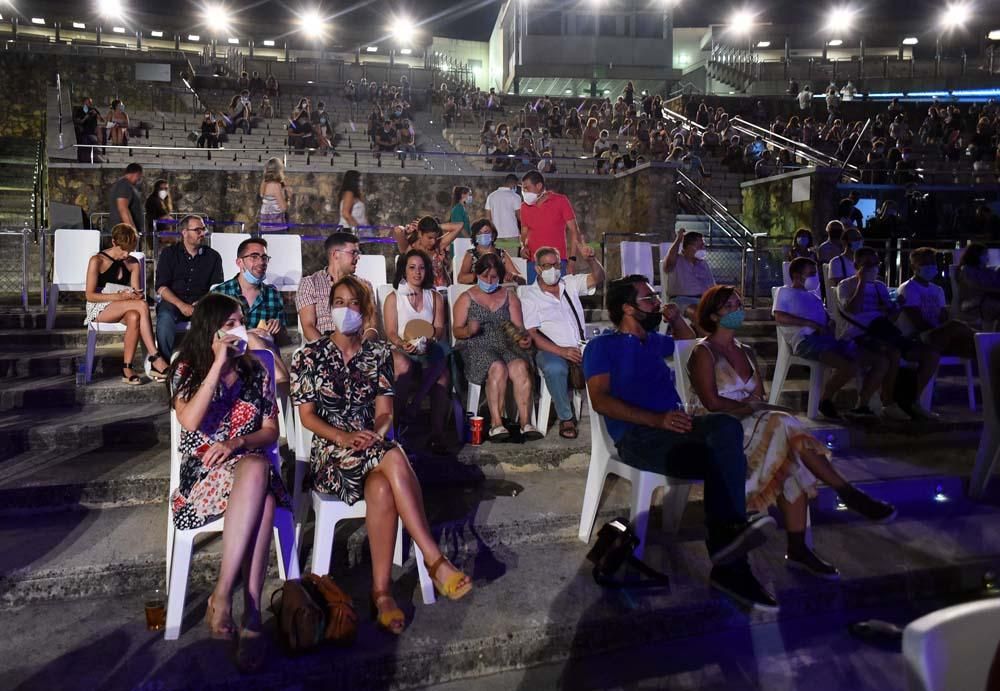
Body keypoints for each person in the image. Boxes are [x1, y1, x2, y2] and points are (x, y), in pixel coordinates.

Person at [583, 275, 778, 610]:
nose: (655, 302)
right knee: (719, 459)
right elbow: (600, 400)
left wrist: (674, 318)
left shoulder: (653, 342)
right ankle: (730, 555)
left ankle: (729, 540)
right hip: (639, 436)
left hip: (679, 426)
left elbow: (689, 341)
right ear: (628, 308)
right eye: (648, 299)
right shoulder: (602, 346)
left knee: (726, 429)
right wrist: (656, 420)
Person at [291, 277, 472, 635]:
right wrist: (344, 436)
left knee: (382, 487)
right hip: (332, 451)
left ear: (365, 309)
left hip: (372, 445)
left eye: (353, 303)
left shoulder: (378, 356)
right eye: (338, 301)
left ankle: (382, 593)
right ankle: (434, 559)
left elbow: (385, 412)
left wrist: (375, 432)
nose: (345, 308)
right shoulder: (309, 355)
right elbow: (307, 416)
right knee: (393, 455)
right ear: (329, 308)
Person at [689, 286, 897, 581]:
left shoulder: (746, 351)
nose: (737, 309)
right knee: (784, 425)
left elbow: (757, 395)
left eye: (738, 303)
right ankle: (845, 495)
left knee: (789, 445)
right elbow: (710, 402)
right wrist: (754, 407)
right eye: (729, 306)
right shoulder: (703, 351)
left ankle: (801, 546)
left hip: (755, 422)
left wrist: (758, 407)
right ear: (713, 315)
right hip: (719, 426)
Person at [168, 293, 289, 671]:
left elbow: (271, 431)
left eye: (241, 321)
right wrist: (218, 363)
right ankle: (250, 614)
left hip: (246, 463)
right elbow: (189, 421)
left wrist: (237, 441)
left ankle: (224, 597)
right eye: (231, 322)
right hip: (202, 474)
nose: (239, 329)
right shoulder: (187, 367)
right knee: (264, 496)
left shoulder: (257, 369)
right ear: (212, 328)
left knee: (256, 469)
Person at [773, 258, 892, 419]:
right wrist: (811, 324)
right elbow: (780, 317)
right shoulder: (785, 291)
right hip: (806, 341)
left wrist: (830, 323)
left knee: (881, 361)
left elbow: (828, 319)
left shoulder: (814, 298)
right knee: (850, 366)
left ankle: (862, 405)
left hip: (829, 339)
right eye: (811, 273)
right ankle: (826, 399)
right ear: (796, 275)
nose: (815, 277)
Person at [837, 247, 941, 421]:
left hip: (884, 331)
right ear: (856, 265)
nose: (872, 268)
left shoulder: (880, 287)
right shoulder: (846, 285)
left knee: (930, 354)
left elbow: (890, 319)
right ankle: (888, 402)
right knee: (892, 352)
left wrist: (897, 307)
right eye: (867, 264)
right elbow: (852, 309)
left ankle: (912, 400)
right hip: (861, 334)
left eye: (875, 263)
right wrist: (861, 282)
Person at [452, 253, 541, 442]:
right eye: (485, 277)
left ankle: (525, 423)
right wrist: (469, 330)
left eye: (493, 277)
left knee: (519, 367)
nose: (489, 281)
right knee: (497, 367)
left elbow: (519, 328)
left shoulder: (509, 297)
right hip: (477, 345)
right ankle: (496, 423)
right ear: (478, 275)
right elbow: (456, 331)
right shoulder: (466, 298)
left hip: (506, 344)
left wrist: (523, 339)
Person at [521, 246, 605, 438]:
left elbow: (598, 277)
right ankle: (566, 418)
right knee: (554, 368)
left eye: (556, 264)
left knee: (611, 356)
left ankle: (615, 412)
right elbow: (533, 334)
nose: (553, 269)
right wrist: (562, 351)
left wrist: (592, 260)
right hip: (550, 348)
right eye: (547, 265)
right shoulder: (530, 296)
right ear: (538, 269)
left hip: (580, 345)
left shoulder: (570, 283)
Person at [383, 250, 453, 454]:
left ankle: (437, 433)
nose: (417, 272)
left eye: (422, 267)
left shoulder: (435, 297)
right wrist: (402, 343)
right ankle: (396, 429)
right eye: (412, 267)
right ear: (404, 270)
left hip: (428, 349)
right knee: (406, 372)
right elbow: (390, 332)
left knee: (442, 368)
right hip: (403, 351)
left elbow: (439, 328)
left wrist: (429, 338)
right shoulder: (393, 298)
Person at [83, 223, 168, 384]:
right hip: (99, 306)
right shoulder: (97, 260)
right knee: (141, 306)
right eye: (123, 250)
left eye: (129, 250)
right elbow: (89, 295)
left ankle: (127, 368)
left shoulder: (133, 263)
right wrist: (119, 296)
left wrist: (136, 294)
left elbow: (136, 292)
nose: (125, 254)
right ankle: (155, 357)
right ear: (114, 242)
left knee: (135, 315)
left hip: (124, 305)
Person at [212, 237, 289, 384]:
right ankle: (281, 383)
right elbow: (209, 334)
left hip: (265, 361)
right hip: (230, 361)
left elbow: (284, 341)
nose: (261, 262)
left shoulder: (273, 295)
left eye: (264, 257)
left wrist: (278, 329)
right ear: (239, 262)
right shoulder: (220, 293)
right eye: (254, 257)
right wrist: (247, 335)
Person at [154, 215, 224, 359]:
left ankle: (206, 362)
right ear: (184, 232)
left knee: (213, 316)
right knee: (165, 317)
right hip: (173, 302)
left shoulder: (213, 257)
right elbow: (161, 287)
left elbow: (216, 287)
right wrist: (181, 305)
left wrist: (202, 302)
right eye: (197, 230)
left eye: (203, 229)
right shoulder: (169, 254)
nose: (202, 233)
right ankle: (164, 363)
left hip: (201, 302)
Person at [296, 231, 379, 343]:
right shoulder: (310, 283)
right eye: (353, 252)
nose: (358, 257)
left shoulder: (364, 286)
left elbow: (371, 326)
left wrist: (360, 348)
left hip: (358, 347)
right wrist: (331, 351)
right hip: (323, 349)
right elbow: (308, 326)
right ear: (336, 254)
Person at [519, 171, 585, 283]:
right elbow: (524, 233)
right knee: (534, 298)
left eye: (527, 188)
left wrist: (572, 260)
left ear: (539, 186)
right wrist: (523, 247)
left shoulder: (561, 201)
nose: (524, 192)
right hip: (533, 264)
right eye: (523, 189)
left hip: (558, 263)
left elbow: (574, 231)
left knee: (559, 297)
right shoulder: (524, 207)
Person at [393, 216, 464, 288]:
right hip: (421, 293)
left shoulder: (438, 245)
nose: (433, 242)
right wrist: (406, 229)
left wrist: (437, 226)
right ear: (420, 234)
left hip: (444, 292)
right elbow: (398, 230)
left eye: (435, 238)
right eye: (430, 238)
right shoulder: (410, 249)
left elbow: (459, 226)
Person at [663, 228, 716, 322]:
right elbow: (669, 261)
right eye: (699, 246)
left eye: (703, 245)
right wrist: (678, 239)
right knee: (698, 313)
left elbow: (712, 286)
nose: (703, 248)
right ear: (687, 247)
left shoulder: (703, 264)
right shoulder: (677, 260)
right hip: (682, 301)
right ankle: (708, 336)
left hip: (703, 300)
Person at [457, 219, 525, 285]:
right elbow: (461, 278)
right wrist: (481, 277)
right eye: (479, 233)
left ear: (493, 235)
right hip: (477, 292)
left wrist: (513, 276)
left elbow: (520, 278)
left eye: (486, 232)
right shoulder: (470, 254)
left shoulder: (502, 254)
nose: (483, 235)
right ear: (475, 237)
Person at [956, 243, 1000, 330]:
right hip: (972, 302)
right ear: (976, 255)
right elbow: (974, 287)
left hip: (988, 300)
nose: (987, 257)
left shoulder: (987, 271)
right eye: (984, 254)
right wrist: (995, 290)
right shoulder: (966, 270)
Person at [484, 174, 522, 242]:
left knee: (497, 253)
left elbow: (488, 218)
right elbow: (520, 217)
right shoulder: (515, 197)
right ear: (514, 184)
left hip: (496, 236)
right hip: (512, 236)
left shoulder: (491, 196)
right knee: (511, 253)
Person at [107, 163, 144, 231]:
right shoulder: (124, 185)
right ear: (137, 174)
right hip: (124, 232)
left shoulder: (122, 184)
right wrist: (132, 231)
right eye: (139, 177)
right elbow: (123, 209)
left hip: (123, 230)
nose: (139, 179)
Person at [258, 158, 291, 231]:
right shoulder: (275, 185)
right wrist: (288, 198)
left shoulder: (264, 182)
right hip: (276, 226)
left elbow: (262, 196)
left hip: (265, 225)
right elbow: (283, 208)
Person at [72, 96, 104, 162]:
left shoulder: (93, 109)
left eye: (90, 102)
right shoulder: (80, 110)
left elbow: (102, 120)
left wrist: (97, 115)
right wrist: (85, 117)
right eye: (88, 101)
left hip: (94, 128)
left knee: (99, 128)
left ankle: (100, 149)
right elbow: (79, 121)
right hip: (85, 128)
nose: (90, 103)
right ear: (84, 102)